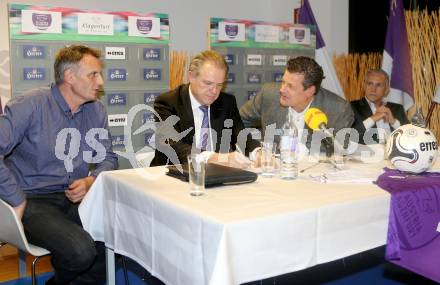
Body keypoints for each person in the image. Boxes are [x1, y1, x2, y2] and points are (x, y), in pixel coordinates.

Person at [0, 45, 118, 285]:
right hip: (32, 200)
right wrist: (16, 198)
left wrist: (91, 180)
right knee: (81, 251)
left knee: (113, 235)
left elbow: (109, 157)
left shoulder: (96, 110)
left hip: (75, 198)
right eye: (93, 74)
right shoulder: (29, 105)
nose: (101, 81)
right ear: (69, 77)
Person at [150, 50, 255, 168]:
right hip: (173, 173)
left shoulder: (226, 102)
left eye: (219, 85)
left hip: (216, 174)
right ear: (191, 77)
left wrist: (259, 152)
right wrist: (215, 158)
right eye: (208, 83)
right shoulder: (168, 102)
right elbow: (174, 147)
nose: (214, 91)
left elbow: (241, 136)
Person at [239, 56, 354, 155]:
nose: (282, 89)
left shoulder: (339, 109)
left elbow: (338, 151)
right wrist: (256, 148)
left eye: (290, 86)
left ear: (309, 91)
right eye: (283, 82)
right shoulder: (268, 95)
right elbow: (237, 122)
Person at [351, 69, 409, 144]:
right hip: (366, 154)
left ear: (386, 89)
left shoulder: (397, 108)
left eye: (378, 85)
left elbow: (410, 136)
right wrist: (372, 119)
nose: (373, 89)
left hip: (394, 154)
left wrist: (394, 122)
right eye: (370, 84)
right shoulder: (352, 107)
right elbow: (349, 135)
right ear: (364, 86)